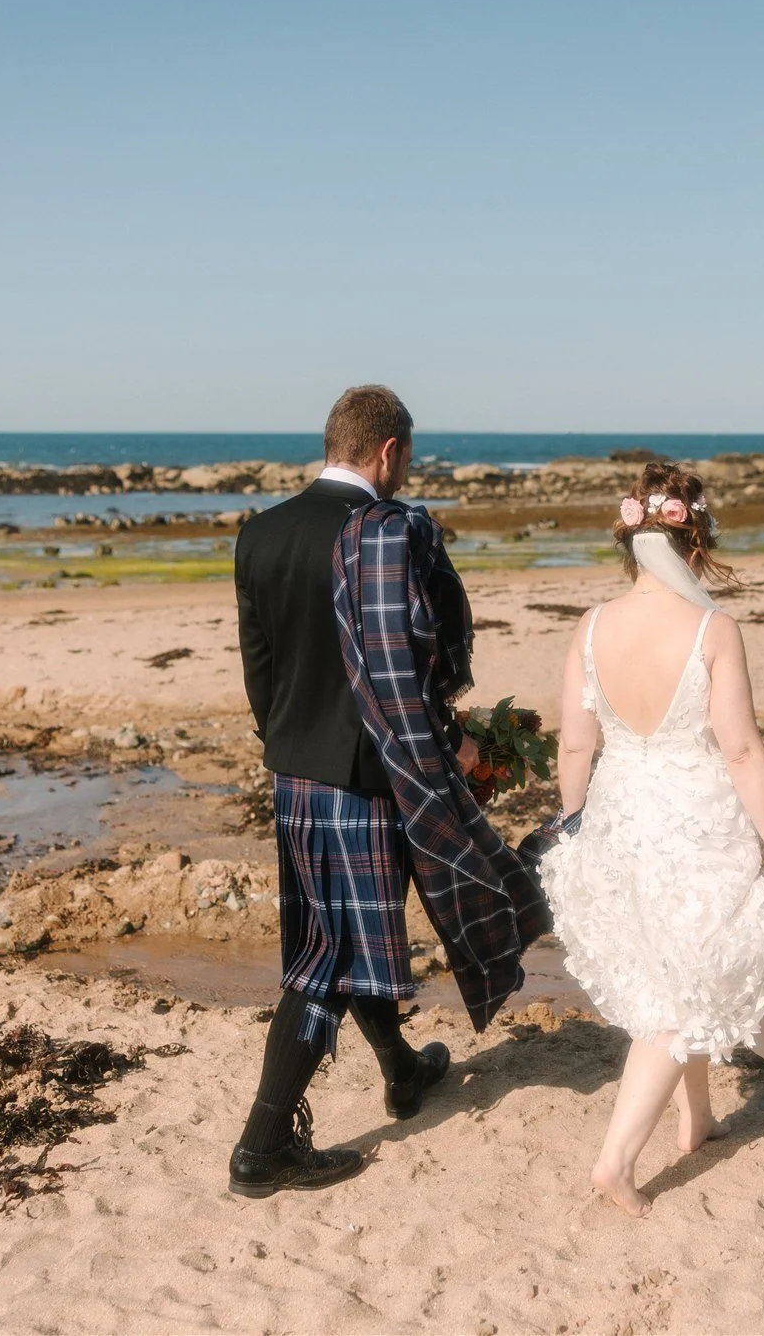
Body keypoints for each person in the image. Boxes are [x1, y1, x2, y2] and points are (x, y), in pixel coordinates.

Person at [536, 462, 764, 1218]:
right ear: (694, 537)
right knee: (681, 991)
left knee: (679, 970)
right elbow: (740, 749)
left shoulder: (589, 627)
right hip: (698, 818)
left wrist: (574, 825)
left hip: (619, 818)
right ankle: (615, 1161)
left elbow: (575, 746)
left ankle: (697, 1114)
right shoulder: (713, 629)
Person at [227, 385, 475, 1197]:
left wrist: (291, 744)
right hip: (369, 777)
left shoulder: (259, 533)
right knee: (327, 961)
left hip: (295, 770)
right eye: (410, 456)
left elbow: (259, 670)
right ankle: (262, 1148)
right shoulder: (392, 532)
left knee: (345, 935)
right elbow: (428, 655)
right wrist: (447, 737)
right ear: (389, 452)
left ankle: (402, 1069)